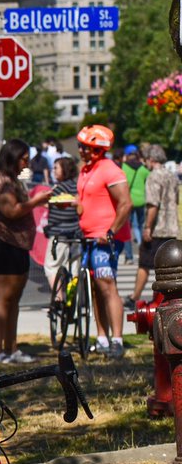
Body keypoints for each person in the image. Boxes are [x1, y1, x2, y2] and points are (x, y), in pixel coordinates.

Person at [0, 139, 52, 364]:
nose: (27, 163)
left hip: (18, 245)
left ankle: (11, 348)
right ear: (12, 157)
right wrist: (37, 201)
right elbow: (11, 211)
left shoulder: (11, 180)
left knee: (14, 299)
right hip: (3, 244)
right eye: (24, 158)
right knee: (2, 298)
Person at [75, 124, 131, 359]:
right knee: (95, 290)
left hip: (105, 240)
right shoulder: (86, 170)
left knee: (107, 285)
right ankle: (101, 337)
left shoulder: (110, 169)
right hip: (88, 237)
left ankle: (117, 339)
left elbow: (126, 204)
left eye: (85, 147)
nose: (80, 151)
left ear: (96, 150)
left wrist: (110, 232)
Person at [127, 144, 177, 307]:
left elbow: (153, 205)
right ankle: (167, 297)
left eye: (146, 160)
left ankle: (135, 297)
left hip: (158, 228)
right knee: (169, 267)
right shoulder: (172, 175)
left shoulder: (153, 176)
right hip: (172, 227)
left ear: (151, 159)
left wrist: (148, 227)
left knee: (145, 263)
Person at [41, 155, 80, 298]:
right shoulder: (77, 187)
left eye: (56, 168)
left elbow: (46, 203)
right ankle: (71, 299)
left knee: (52, 267)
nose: (53, 171)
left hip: (58, 233)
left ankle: (58, 299)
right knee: (74, 268)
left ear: (64, 170)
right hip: (76, 233)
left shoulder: (58, 189)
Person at [122, 144, 150, 262]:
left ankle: (130, 256)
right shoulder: (143, 168)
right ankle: (143, 247)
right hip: (142, 200)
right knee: (141, 224)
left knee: (129, 227)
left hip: (129, 201)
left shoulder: (124, 168)